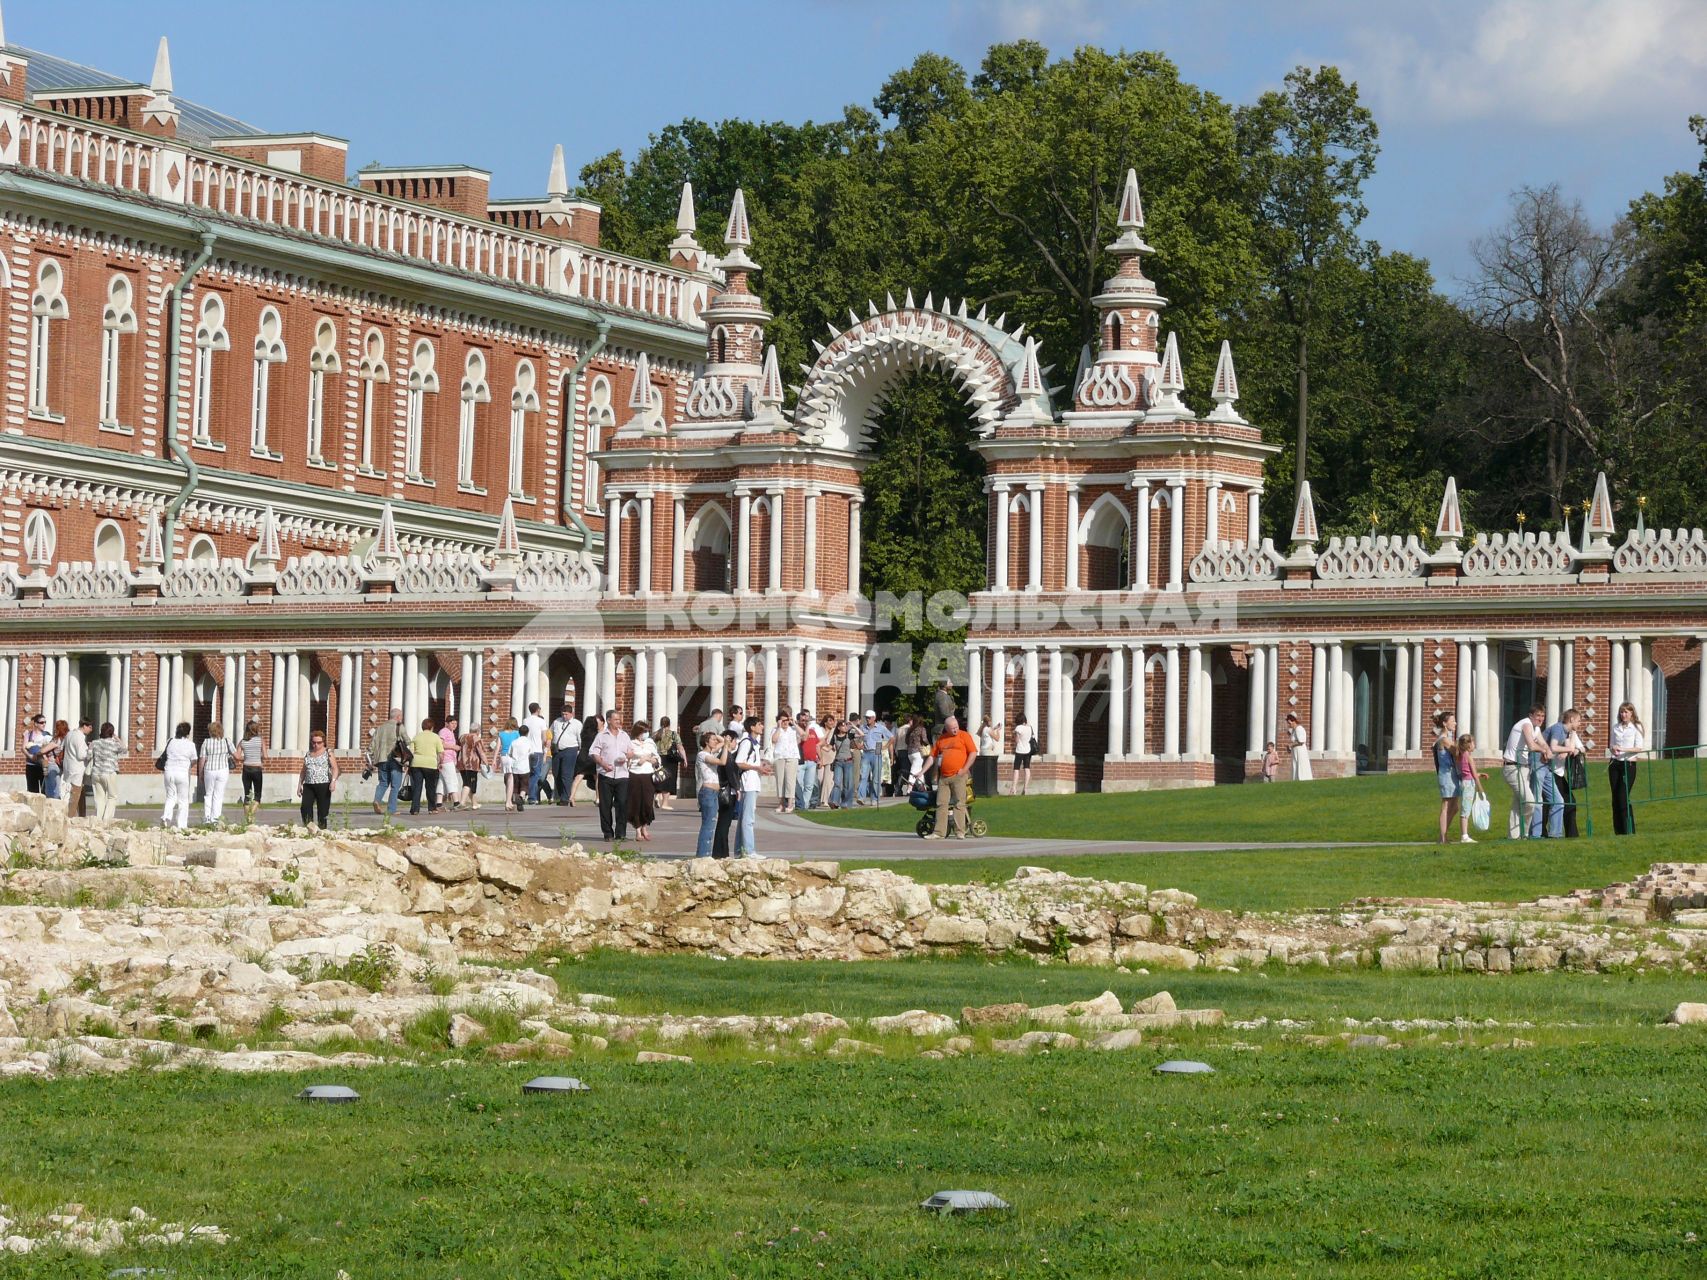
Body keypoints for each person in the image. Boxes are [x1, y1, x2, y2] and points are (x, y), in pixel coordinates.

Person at [923, 714, 978, 840]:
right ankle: (939, 832)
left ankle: (960, 831)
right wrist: (922, 771)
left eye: (956, 727)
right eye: (952, 728)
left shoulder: (964, 736)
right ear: (946, 728)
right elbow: (932, 756)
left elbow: (973, 753)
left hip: (958, 775)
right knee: (941, 803)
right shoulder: (942, 739)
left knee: (959, 803)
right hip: (944, 777)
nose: (955, 729)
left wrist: (964, 770)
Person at [1503, 703, 1551, 839]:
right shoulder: (1526, 724)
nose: (1541, 719)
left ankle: (1513, 837)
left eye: (1543, 716)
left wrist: (1547, 751)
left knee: (1518, 803)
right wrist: (1543, 750)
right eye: (1538, 716)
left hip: (1524, 768)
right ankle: (1524, 833)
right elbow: (1531, 745)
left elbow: (1543, 743)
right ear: (1531, 716)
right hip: (1512, 767)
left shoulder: (1536, 728)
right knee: (1530, 802)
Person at [591, 710, 634, 842]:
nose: (619, 722)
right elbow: (594, 753)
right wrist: (603, 764)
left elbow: (631, 751)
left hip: (622, 774)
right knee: (605, 805)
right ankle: (608, 833)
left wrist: (627, 756)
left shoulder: (624, 735)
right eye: (616, 720)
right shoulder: (601, 736)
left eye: (619, 720)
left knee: (622, 804)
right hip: (606, 774)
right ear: (608, 720)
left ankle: (621, 833)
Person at [1545, 709, 1585, 838]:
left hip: (1560, 773)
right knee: (1549, 803)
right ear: (1571, 720)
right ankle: (1544, 833)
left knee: (1570, 802)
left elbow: (1581, 748)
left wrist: (1570, 750)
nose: (1579, 723)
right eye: (1578, 721)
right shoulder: (1558, 731)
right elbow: (1554, 747)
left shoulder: (1571, 734)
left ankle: (1572, 835)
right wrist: (1568, 749)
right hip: (1549, 771)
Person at [1609, 700, 1646, 835]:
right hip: (1615, 763)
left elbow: (1638, 748)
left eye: (1626, 712)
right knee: (1615, 798)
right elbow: (1612, 745)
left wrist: (1623, 749)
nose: (1623, 714)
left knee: (1623, 796)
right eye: (1622, 712)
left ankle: (1628, 830)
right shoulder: (1616, 727)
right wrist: (1614, 749)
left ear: (1631, 713)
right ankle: (1618, 831)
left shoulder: (1636, 728)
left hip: (1628, 764)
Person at [733, 715, 767, 857]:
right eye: (759, 724)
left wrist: (759, 766)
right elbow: (739, 762)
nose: (762, 726)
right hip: (748, 784)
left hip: (753, 782)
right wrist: (756, 768)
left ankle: (739, 851)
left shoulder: (755, 743)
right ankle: (749, 850)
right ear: (752, 727)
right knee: (748, 819)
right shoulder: (747, 742)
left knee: (744, 818)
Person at [297, 729, 340, 828]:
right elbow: (304, 770)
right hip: (309, 784)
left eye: (319, 743)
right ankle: (309, 827)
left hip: (323, 784)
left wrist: (333, 782)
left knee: (322, 810)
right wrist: (299, 785)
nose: (316, 745)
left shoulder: (328, 753)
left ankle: (322, 829)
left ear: (323, 742)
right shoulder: (308, 754)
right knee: (305, 807)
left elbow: (335, 768)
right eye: (314, 742)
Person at [368, 708, 406, 817]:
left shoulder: (380, 728)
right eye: (401, 716)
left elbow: (372, 745)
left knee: (383, 783)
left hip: (381, 759)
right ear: (398, 717)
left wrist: (371, 758)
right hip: (395, 759)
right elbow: (407, 741)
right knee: (395, 785)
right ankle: (391, 809)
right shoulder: (399, 727)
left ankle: (377, 800)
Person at [694, 730, 727, 858]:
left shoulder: (711, 753)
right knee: (708, 824)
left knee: (712, 823)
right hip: (707, 792)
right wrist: (725, 748)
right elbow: (722, 762)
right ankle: (703, 854)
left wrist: (714, 735)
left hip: (714, 792)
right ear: (706, 742)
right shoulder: (702, 754)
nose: (715, 741)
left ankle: (706, 853)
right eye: (712, 740)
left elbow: (723, 741)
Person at [626, 720, 660, 842]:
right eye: (643, 731)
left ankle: (645, 826)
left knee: (647, 802)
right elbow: (628, 757)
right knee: (636, 802)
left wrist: (648, 759)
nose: (646, 733)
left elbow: (656, 758)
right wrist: (639, 759)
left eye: (647, 731)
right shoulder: (631, 743)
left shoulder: (650, 743)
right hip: (634, 775)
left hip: (648, 774)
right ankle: (638, 829)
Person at [712, 727, 742, 859]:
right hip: (728, 792)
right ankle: (721, 852)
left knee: (724, 823)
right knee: (724, 823)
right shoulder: (727, 756)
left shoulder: (725, 755)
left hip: (726, 791)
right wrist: (737, 788)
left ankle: (722, 851)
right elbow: (730, 774)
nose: (736, 743)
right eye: (735, 740)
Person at [160, 720, 196, 829]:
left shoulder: (170, 741)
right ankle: (181, 825)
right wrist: (188, 766)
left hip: (169, 771)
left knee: (170, 796)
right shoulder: (190, 744)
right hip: (182, 772)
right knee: (183, 800)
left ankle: (166, 817)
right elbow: (194, 759)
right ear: (188, 733)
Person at [199, 720, 235, 825]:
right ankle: (215, 818)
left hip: (209, 769)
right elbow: (236, 755)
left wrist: (201, 773)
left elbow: (202, 759)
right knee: (218, 795)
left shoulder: (206, 742)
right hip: (223, 769)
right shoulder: (227, 741)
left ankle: (207, 818)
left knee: (209, 794)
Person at [1432, 711, 1460, 844]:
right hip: (1447, 774)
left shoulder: (1448, 738)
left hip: (1453, 774)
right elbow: (1457, 752)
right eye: (1452, 721)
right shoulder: (1443, 740)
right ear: (1444, 723)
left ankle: (1442, 835)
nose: (1455, 723)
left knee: (1454, 807)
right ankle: (1443, 837)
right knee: (1446, 805)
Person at [408, 717, 442, 816]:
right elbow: (440, 753)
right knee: (431, 787)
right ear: (432, 727)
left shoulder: (416, 736)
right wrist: (439, 763)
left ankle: (415, 809)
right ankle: (432, 808)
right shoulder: (435, 737)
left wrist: (408, 765)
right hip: (430, 764)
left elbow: (411, 752)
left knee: (417, 787)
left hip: (416, 764)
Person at [1456, 733, 1486, 844]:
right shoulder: (1469, 757)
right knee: (1466, 810)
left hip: (1465, 782)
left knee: (1465, 809)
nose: (1475, 745)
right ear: (1468, 745)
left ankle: (1465, 835)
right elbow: (1473, 774)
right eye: (1473, 742)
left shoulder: (1462, 756)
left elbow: (1466, 772)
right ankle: (1464, 836)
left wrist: (1479, 774)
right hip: (1469, 785)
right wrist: (1481, 790)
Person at [550, 705, 582, 807]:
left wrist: (580, 750)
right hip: (557, 750)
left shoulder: (577, 724)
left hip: (570, 749)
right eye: (563, 714)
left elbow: (580, 738)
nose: (564, 716)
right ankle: (560, 795)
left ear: (571, 714)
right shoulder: (556, 722)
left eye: (566, 714)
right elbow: (550, 733)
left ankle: (565, 798)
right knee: (557, 773)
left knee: (566, 774)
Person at [88, 722, 120, 822]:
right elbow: (124, 748)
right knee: (112, 796)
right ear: (112, 732)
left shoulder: (95, 743)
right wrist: (117, 738)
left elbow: (88, 756)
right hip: (109, 772)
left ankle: (98, 819)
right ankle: (107, 818)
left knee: (99, 798)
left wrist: (89, 749)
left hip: (96, 773)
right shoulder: (114, 744)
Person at [857, 710, 890, 805]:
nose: (867, 719)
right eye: (866, 717)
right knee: (863, 776)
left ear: (874, 718)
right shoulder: (863, 728)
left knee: (876, 778)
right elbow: (859, 739)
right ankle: (861, 797)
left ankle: (875, 798)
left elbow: (891, 737)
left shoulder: (880, 728)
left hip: (877, 752)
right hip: (866, 753)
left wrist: (886, 746)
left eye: (869, 717)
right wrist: (859, 744)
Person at [771, 710, 800, 813]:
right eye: (783, 720)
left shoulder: (793, 729)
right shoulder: (775, 730)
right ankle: (781, 803)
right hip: (780, 756)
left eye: (787, 720)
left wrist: (795, 724)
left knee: (790, 780)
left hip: (792, 756)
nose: (785, 722)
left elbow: (803, 735)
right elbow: (774, 740)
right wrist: (779, 727)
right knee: (780, 780)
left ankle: (790, 803)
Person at [62, 716, 91, 817]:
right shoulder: (79, 737)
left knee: (77, 794)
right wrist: (90, 750)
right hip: (77, 769)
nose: (91, 730)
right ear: (84, 726)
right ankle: (70, 817)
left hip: (68, 767)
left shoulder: (69, 734)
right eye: (90, 727)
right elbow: (81, 755)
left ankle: (82, 815)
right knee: (75, 796)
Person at [571, 711, 601, 807]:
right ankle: (597, 798)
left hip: (582, 755)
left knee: (578, 777)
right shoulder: (597, 734)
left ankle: (571, 796)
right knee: (596, 777)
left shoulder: (583, 733)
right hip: (592, 756)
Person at [504, 718, 534, 811]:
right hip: (525, 767)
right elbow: (531, 753)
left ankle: (517, 798)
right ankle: (521, 796)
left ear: (519, 732)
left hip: (515, 767)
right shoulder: (528, 742)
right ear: (527, 733)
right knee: (524, 784)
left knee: (516, 785)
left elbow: (509, 753)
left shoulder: (514, 742)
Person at [523, 701, 549, 804]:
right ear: (538, 710)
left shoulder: (525, 720)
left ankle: (525, 794)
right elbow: (544, 737)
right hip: (537, 750)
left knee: (528, 773)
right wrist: (544, 747)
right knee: (536, 774)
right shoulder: (541, 722)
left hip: (527, 751)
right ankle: (532, 797)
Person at [240, 720, 266, 821]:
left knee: (247, 795)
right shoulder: (260, 740)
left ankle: (248, 818)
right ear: (256, 729)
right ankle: (251, 815)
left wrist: (246, 757)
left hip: (246, 768)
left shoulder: (243, 741)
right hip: (257, 768)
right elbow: (265, 756)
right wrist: (258, 757)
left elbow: (237, 756)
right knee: (257, 795)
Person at [654, 716, 681, 811]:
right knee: (669, 780)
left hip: (658, 758)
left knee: (658, 778)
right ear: (669, 724)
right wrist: (684, 758)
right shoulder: (673, 734)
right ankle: (665, 803)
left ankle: (657, 795)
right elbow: (680, 747)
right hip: (670, 759)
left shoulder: (655, 734)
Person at [831, 718, 858, 809]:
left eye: (845, 725)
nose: (845, 727)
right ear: (838, 727)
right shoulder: (834, 737)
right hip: (838, 762)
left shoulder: (849, 735)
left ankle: (846, 803)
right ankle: (835, 802)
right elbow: (829, 747)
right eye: (843, 725)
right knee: (837, 782)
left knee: (847, 784)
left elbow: (862, 734)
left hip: (848, 761)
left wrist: (853, 726)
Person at [796, 712, 820, 812]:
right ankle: (800, 804)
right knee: (800, 784)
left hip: (812, 761)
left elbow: (817, 744)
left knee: (809, 785)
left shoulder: (813, 732)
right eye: (803, 720)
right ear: (798, 721)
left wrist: (819, 757)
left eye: (807, 720)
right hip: (801, 761)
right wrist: (806, 727)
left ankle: (805, 804)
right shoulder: (797, 731)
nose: (805, 722)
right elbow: (804, 737)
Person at [438, 715, 462, 809]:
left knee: (442, 781)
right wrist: (453, 747)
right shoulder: (444, 731)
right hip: (446, 759)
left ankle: (438, 802)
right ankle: (456, 802)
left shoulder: (451, 732)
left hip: (450, 759)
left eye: (455, 723)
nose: (454, 725)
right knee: (452, 780)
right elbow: (440, 744)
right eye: (452, 723)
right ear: (447, 723)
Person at [974, 717, 1001, 798]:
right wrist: (998, 731)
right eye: (990, 721)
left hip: (983, 750)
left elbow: (990, 731)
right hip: (988, 751)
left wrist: (995, 728)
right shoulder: (988, 729)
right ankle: (990, 789)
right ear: (987, 722)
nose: (991, 722)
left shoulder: (984, 729)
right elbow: (997, 738)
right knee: (990, 770)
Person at [23, 714, 47, 794]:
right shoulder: (29, 734)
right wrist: (30, 756)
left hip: (42, 766)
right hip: (31, 766)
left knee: (44, 791)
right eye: (41, 722)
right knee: (32, 791)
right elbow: (23, 748)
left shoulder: (46, 735)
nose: (44, 724)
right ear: (36, 724)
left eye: (45, 722)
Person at [41, 719, 65, 799]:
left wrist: (41, 752)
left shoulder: (55, 740)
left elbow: (43, 751)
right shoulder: (65, 740)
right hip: (60, 765)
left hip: (51, 765)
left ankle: (51, 808)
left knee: (50, 790)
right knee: (57, 788)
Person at [1011, 714, 1034, 795]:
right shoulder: (1029, 727)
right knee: (1027, 768)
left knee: (1016, 769)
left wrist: (1014, 735)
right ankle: (1025, 788)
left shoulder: (1018, 728)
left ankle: (1014, 789)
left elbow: (1017, 740)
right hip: (1027, 750)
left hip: (1019, 750)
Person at [1287, 713, 1312, 781]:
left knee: (1301, 764)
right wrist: (1290, 747)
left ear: (1293, 721)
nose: (1289, 724)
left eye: (1290, 722)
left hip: (1300, 751)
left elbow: (1301, 741)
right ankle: (1296, 779)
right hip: (1295, 751)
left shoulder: (1299, 729)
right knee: (1296, 764)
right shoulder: (1294, 730)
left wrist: (1291, 745)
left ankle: (1303, 778)